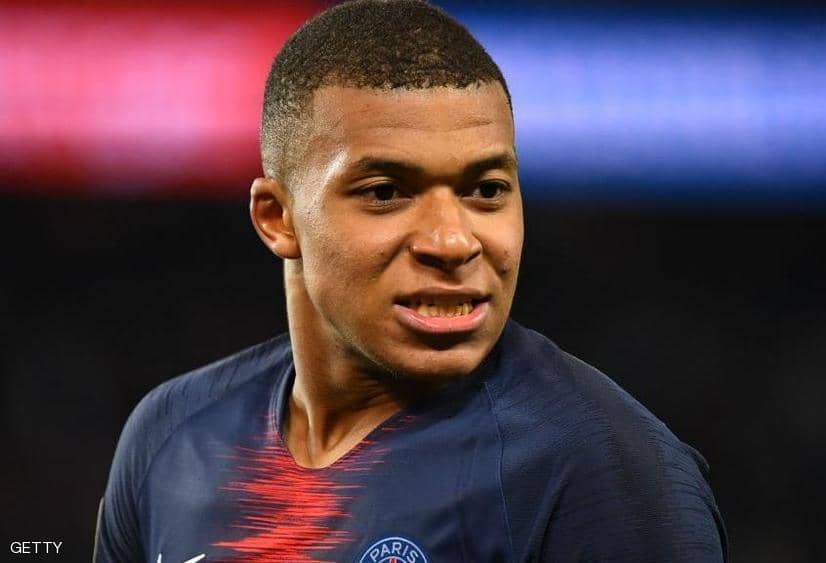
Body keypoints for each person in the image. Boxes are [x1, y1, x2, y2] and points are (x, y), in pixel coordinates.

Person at [93, 1, 727, 561]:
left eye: (487, 190)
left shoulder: (603, 476)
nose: (452, 242)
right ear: (277, 218)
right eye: (386, 192)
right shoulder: (171, 437)